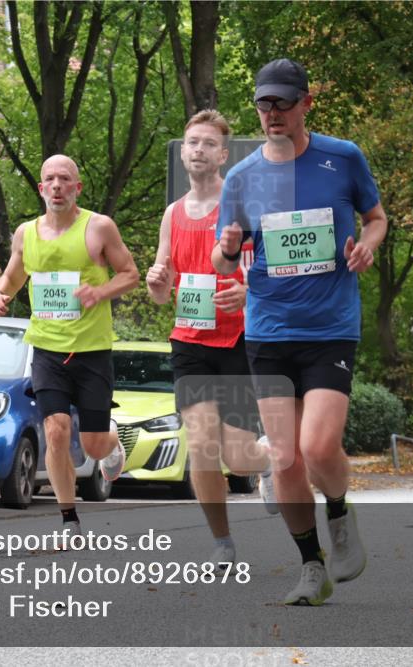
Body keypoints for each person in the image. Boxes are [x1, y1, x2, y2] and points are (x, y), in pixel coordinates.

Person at [212, 58, 388, 606]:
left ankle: (338, 512)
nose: (273, 114)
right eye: (265, 104)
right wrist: (229, 246)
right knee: (285, 457)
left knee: (317, 446)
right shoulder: (241, 178)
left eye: (284, 104)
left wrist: (367, 246)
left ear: (306, 104)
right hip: (269, 328)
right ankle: (312, 566)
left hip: (331, 326)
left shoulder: (343, 157)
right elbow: (223, 260)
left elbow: (377, 217)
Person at [146, 110, 276, 568]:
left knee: (239, 457)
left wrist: (250, 291)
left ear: (223, 155)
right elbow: (164, 291)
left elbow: (272, 269)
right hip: (190, 340)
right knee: (200, 444)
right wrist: (156, 282)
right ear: (183, 151)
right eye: (191, 142)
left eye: (207, 144)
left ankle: (270, 463)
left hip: (240, 338)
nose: (197, 149)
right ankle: (222, 543)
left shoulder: (243, 204)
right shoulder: (171, 214)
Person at [0, 154, 139, 532]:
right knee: (55, 429)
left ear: (77, 188)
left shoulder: (98, 227)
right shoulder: (26, 233)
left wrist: (100, 291)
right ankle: (68, 516)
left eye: (64, 179)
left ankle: (112, 444)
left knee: (93, 447)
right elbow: (11, 277)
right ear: (41, 189)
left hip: (92, 350)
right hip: (48, 348)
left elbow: (130, 274)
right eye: (50, 179)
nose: (57, 185)